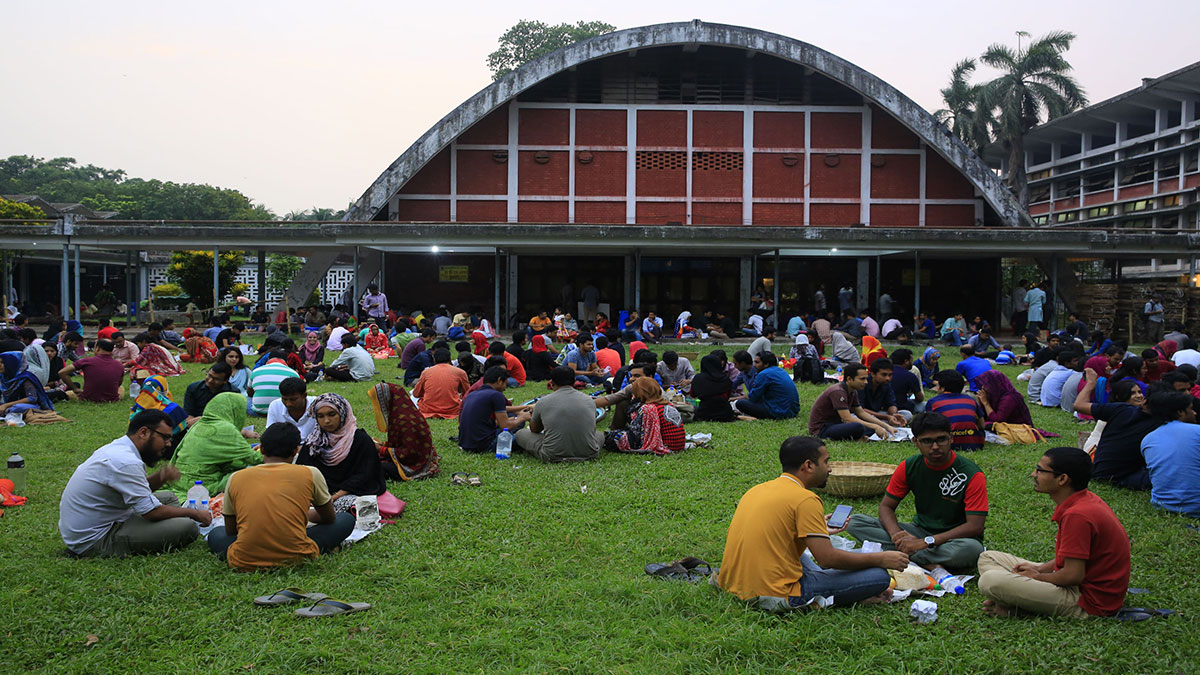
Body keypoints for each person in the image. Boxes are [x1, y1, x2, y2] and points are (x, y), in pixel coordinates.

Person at [716, 436, 905, 612]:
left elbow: (778, 531)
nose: (829, 468)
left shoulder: (757, 489)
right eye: (826, 462)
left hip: (735, 584)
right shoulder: (805, 499)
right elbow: (827, 559)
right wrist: (882, 559)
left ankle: (834, 584)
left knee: (858, 560)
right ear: (808, 466)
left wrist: (814, 529)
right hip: (775, 594)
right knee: (879, 576)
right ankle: (834, 596)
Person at [978, 447, 1130, 618]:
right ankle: (1016, 595)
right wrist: (1039, 568)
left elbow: (1073, 575)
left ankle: (1019, 604)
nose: (1033, 474)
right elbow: (1070, 559)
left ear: (1062, 479)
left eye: (1040, 470)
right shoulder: (1083, 500)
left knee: (990, 581)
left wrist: (1036, 577)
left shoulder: (1078, 515)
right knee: (988, 557)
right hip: (1073, 581)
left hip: (1086, 600)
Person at [846, 412, 987, 571]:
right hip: (918, 531)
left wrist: (926, 542)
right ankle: (919, 558)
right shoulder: (909, 466)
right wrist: (896, 535)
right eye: (927, 441)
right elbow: (886, 507)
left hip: (954, 539)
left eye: (941, 439)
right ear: (915, 442)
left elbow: (975, 526)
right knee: (854, 522)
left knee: (972, 550)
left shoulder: (972, 474)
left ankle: (904, 556)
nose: (935, 446)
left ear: (951, 438)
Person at [205, 422, 356, 570]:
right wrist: (302, 514)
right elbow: (329, 518)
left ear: (262, 449)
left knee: (216, 534)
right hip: (298, 556)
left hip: (244, 559)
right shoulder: (310, 473)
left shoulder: (237, 477)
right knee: (346, 519)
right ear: (296, 451)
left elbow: (231, 531)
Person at [58, 410, 209, 557]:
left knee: (169, 497)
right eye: (165, 438)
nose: (168, 444)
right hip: (95, 539)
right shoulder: (126, 462)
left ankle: (168, 525)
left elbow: (137, 490)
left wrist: (161, 477)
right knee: (187, 527)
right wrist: (194, 513)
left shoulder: (120, 448)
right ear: (143, 433)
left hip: (104, 518)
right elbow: (151, 512)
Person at [296, 393, 387, 512]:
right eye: (320, 416)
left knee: (353, 506)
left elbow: (366, 473)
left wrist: (337, 496)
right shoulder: (315, 440)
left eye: (332, 414)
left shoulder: (360, 439)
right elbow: (302, 471)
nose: (326, 421)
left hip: (352, 492)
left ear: (343, 413)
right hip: (320, 494)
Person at [163, 392, 263, 497]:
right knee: (255, 472)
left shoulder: (198, 425)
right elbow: (255, 459)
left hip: (179, 481)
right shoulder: (225, 429)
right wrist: (262, 451)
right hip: (203, 486)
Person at [513, 367, 603, 462]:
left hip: (552, 455)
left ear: (552, 383)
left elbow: (534, 430)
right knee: (599, 434)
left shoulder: (543, 402)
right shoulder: (589, 400)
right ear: (574, 381)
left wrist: (534, 416)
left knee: (520, 434)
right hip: (590, 453)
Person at [808, 363, 896, 441]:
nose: (866, 382)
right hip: (822, 429)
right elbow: (848, 419)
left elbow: (861, 413)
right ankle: (857, 437)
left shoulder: (853, 391)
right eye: (862, 379)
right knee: (858, 427)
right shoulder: (838, 391)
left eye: (866, 378)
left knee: (870, 426)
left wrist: (885, 426)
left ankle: (858, 437)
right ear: (849, 379)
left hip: (836, 424)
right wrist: (875, 426)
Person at [457, 366, 532, 454]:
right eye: (505, 384)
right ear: (499, 380)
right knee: (526, 436)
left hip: (465, 444)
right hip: (484, 445)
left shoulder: (472, 394)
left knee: (515, 422)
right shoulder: (496, 395)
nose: (505, 388)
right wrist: (522, 418)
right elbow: (505, 427)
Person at [606, 377, 686, 454]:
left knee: (614, 438)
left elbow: (636, 434)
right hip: (678, 446)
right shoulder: (668, 405)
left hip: (666, 446)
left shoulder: (648, 409)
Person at [925, 370, 984, 452]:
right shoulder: (971, 400)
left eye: (938, 386)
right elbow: (982, 425)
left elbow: (928, 426)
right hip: (974, 444)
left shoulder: (933, 402)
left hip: (944, 444)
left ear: (942, 388)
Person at [732, 352, 800, 420]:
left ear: (766, 364)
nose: (754, 365)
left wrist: (735, 399)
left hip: (778, 412)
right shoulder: (780, 370)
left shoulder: (763, 374)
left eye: (757, 362)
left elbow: (753, 397)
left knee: (740, 403)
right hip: (793, 411)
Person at [57, 339, 125, 402]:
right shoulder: (119, 365)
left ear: (97, 348)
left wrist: (74, 388)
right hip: (111, 399)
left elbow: (62, 372)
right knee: (121, 388)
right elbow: (119, 383)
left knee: (67, 393)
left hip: (88, 397)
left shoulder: (86, 361)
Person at [412, 348, 470, 418]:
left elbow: (416, 394)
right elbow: (467, 394)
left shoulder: (426, 372)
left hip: (428, 409)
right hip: (453, 410)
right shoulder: (460, 372)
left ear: (434, 359)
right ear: (449, 359)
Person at [860, 358, 911, 425]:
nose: (888, 378)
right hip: (864, 415)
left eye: (890, 375)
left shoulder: (886, 384)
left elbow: (891, 404)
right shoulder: (862, 384)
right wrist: (886, 417)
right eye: (884, 375)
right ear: (873, 374)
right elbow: (860, 410)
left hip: (878, 414)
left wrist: (893, 415)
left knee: (907, 414)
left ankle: (885, 424)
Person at [248, 351, 300, 416]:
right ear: (286, 361)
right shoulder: (293, 373)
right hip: (283, 411)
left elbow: (249, 392)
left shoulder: (256, 371)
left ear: (268, 359)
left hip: (259, 412)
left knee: (247, 399)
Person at [691, 354, 736, 422]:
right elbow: (728, 396)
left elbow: (692, 394)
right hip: (725, 414)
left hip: (704, 413)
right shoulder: (725, 379)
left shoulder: (698, 378)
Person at [888, 349, 924, 414]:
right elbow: (920, 398)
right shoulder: (910, 376)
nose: (912, 363)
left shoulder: (884, 373)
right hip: (901, 407)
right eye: (911, 360)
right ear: (906, 361)